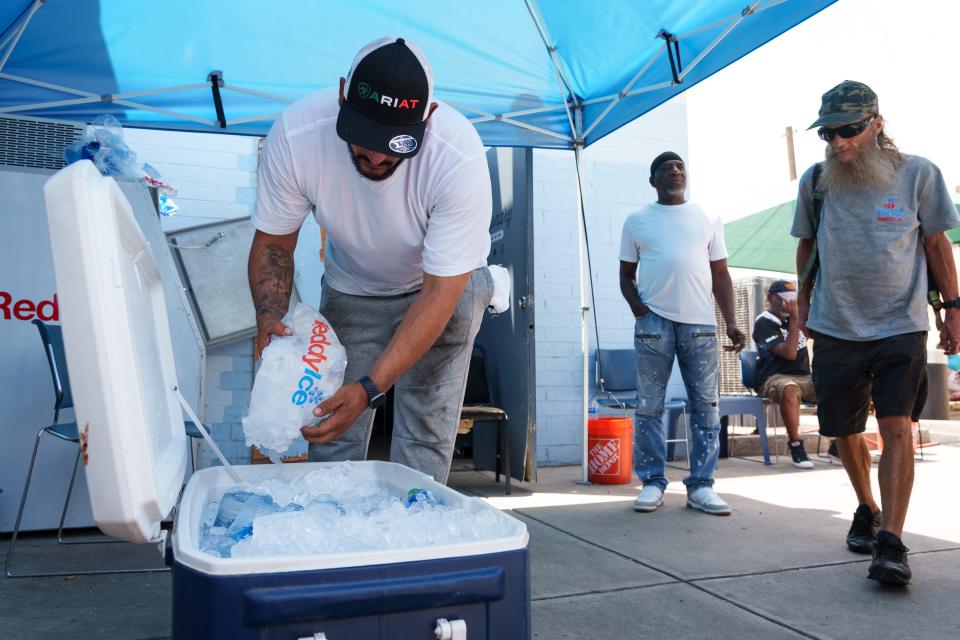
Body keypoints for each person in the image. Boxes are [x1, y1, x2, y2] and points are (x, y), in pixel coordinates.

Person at [248, 37, 494, 484]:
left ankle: (410, 540)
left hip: (442, 287)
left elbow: (440, 292)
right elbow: (273, 245)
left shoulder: (458, 155)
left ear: (428, 117)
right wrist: (269, 318)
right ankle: (333, 538)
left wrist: (369, 388)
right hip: (353, 285)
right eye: (364, 137)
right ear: (343, 95)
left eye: (394, 142)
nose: (377, 156)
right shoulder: (297, 133)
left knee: (423, 431)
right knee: (329, 424)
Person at [793, 80, 960, 585]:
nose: (838, 142)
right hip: (835, 326)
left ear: (876, 123)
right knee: (843, 430)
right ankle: (866, 506)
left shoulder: (918, 174)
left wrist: (953, 310)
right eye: (829, 133)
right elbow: (806, 246)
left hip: (900, 325)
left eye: (848, 130)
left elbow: (936, 245)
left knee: (896, 428)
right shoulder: (817, 181)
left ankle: (891, 539)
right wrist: (802, 305)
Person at [619, 151, 746, 516]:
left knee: (705, 405)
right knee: (648, 407)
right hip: (653, 323)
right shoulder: (637, 220)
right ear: (653, 180)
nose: (676, 171)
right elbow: (626, 274)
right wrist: (637, 307)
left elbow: (720, 275)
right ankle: (652, 483)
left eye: (680, 168)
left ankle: (702, 487)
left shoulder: (707, 217)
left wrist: (731, 321)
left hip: (700, 324)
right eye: (667, 168)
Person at [752, 280, 815, 469]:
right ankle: (795, 445)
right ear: (770, 297)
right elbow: (789, 354)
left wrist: (802, 318)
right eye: (784, 299)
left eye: (792, 300)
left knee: (838, 384)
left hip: (805, 377)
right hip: (775, 377)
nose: (789, 304)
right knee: (789, 388)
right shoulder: (764, 322)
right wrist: (796, 319)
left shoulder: (796, 318)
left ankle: (838, 444)